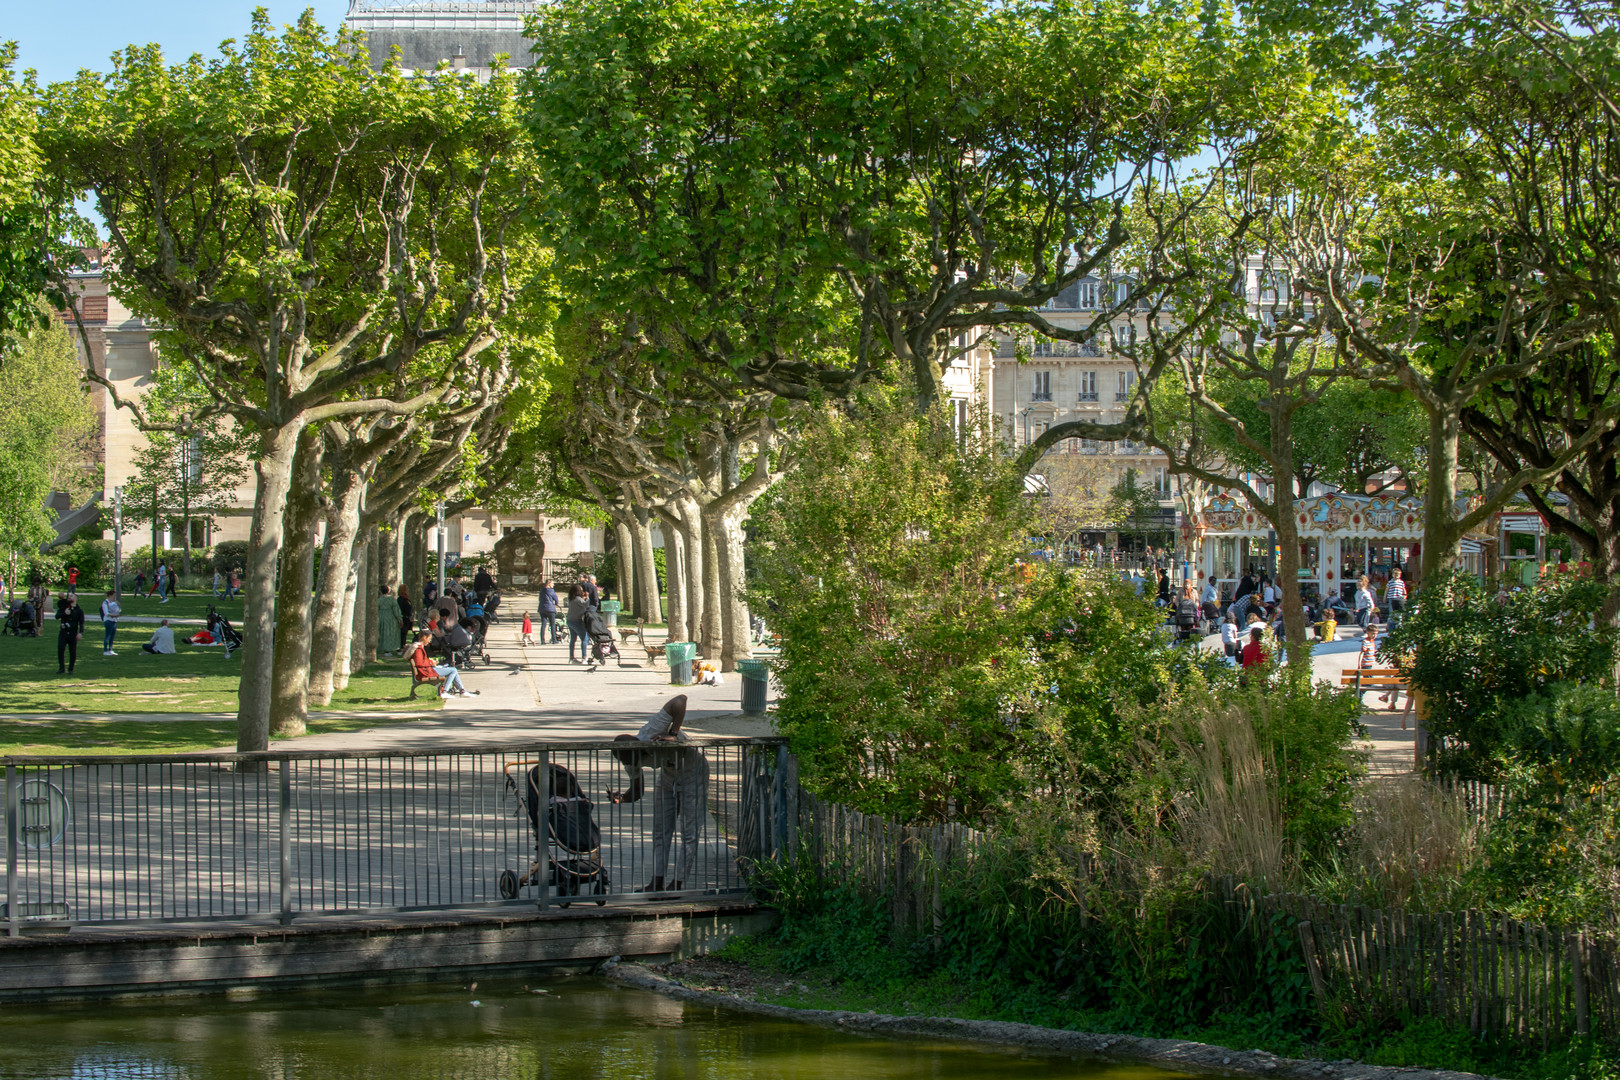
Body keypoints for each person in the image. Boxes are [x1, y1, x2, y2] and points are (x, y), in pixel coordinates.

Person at [608, 694, 709, 893]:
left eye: (641, 758)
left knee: (689, 830)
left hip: (693, 770)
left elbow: (680, 700)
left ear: (641, 746)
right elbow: (637, 791)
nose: (638, 763)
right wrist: (623, 798)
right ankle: (657, 881)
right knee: (660, 830)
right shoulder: (630, 760)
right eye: (632, 763)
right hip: (669, 775)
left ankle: (678, 883)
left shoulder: (650, 732)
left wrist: (673, 733)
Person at [407, 631, 477, 697]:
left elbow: (421, 661)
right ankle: (445, 692)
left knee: (451, 669)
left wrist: (430, 661)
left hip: (426, 670)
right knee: (453, 670)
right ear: (424, 637)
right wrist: (431, 662)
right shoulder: (418, 649)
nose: (429, 641)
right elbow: (419, 663)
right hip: (426, 672)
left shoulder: (419, 648)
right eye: (429, 639)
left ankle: (462, 691)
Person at [56, 594, 85, 674]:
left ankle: (71, 669)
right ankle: (61, 668)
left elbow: (81, 622)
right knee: (61, 649)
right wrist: (64, 613)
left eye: (71, 596)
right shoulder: (64, 608)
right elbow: (57, 616)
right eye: (69, 596)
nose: (69, 597)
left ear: (76, 599)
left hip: (73, 633)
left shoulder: (79, 611)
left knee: (72, 651)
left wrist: (80, 633)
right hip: (63, 632)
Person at [566, 583, 591, 664]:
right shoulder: (578, 599)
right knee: (584, 638)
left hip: (570, 620)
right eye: (581, 590)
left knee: (573, 639)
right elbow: (586, 605)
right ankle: (584, 657)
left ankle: (571, 657)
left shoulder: (571, 599)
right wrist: (587, 597)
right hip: (576, 621)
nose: (582, 591)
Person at [376, 585, 403, 658]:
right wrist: (400, 619)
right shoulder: (392, 600)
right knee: (394, 633)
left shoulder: (379, 600)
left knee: (384, 633)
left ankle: (386, 650)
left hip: (382, 617)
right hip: (391, 618)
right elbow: (396, 611)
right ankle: (397, 649)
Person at [99, 589, 121, 656]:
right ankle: (105, 650)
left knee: (112, 636)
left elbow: (118, 610)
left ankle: (110, 649)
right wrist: (114, 615)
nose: (114, 597)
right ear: (110, 595)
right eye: (114, 595)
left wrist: (118, 606)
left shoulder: (114, 603)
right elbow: (106, 613)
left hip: (114, 621)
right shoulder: (105, 603)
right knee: (107, 635)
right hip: (108, 620)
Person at [538, 579, 560, 643]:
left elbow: (540, 599)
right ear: (549, 584)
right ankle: (554, 639)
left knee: (543, 624)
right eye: (552, 583)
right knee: (552, 624)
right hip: (550, 609)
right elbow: (556, 599)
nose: (553, 585)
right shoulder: (551, 591)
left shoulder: (542, 591)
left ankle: (542, 640)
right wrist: (556, 603)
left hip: (542, 608)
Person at [396, 584, 415, 651]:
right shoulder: (405, 600)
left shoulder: (399, 599)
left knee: (402, 633)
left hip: (403, 617)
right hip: (405, 618)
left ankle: (401, 647)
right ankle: (402, 647)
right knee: (403, 633)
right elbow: (408, 609)